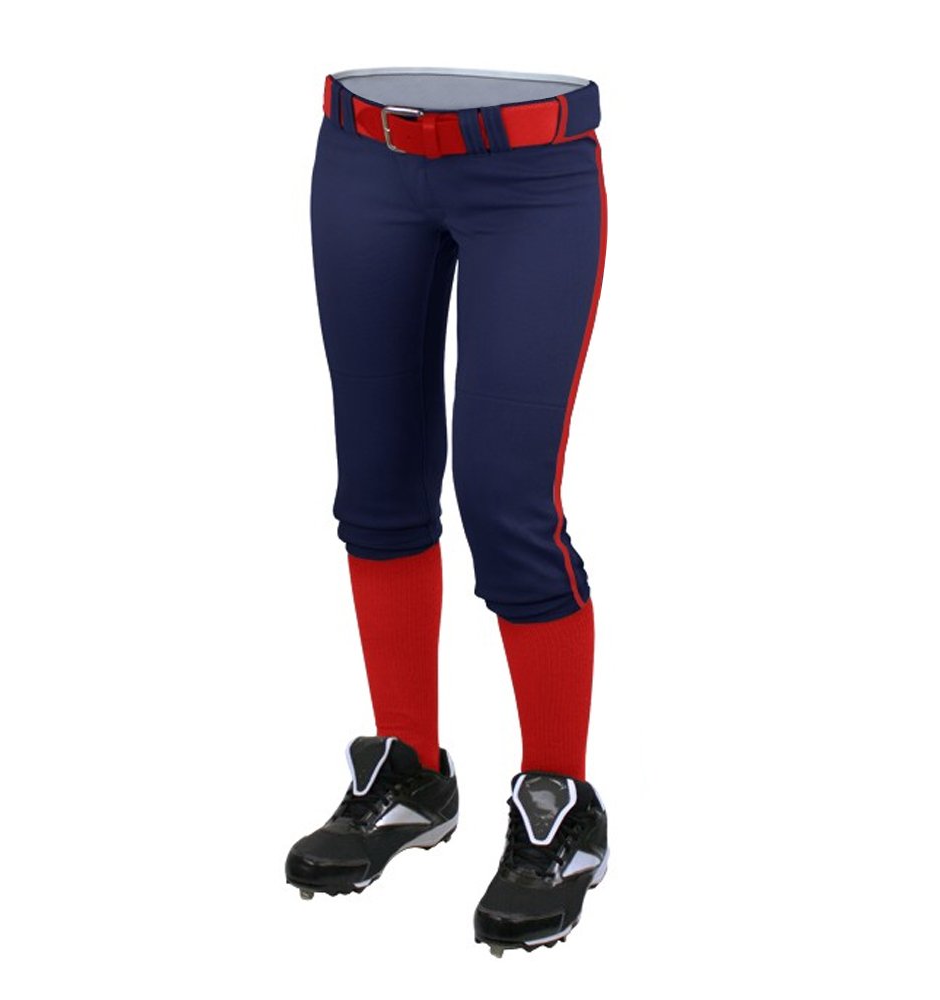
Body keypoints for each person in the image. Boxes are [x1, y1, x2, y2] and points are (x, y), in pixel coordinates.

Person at [285, 66, 609, 956]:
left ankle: (558, 809)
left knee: (507, 502)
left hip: (533, 165)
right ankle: (411, 775)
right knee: (377, 486)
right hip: (363, 154)